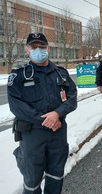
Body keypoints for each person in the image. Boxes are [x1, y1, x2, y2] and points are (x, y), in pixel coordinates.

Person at [7, 32, 77, 194]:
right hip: (32, 134)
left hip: (58, 132)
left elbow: (72, 97)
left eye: (42, 47)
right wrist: (48, 120)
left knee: (56, 173)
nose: (38, 50)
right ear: (27, 50)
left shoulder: (61, 73)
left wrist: (57, 113)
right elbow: (16, 106)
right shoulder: (18, 76)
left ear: (48, 48)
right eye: (34, 47)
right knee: (32, 178)